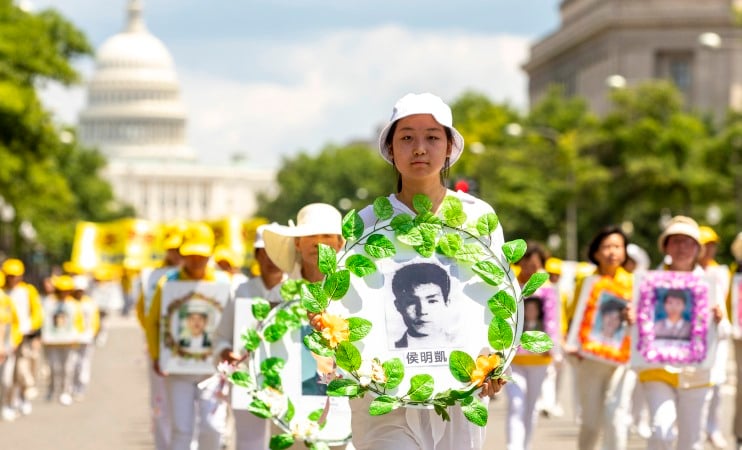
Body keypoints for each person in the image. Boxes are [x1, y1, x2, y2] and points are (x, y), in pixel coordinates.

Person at [347, 92, 506, 450]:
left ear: (449, 147)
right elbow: (349, 303)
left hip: (459, 393)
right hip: (383, 402)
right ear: (390, 148)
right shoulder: (366, 225)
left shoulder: (477, 218)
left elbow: (498, 297)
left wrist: (495, 361)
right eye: (407, 137)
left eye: (432, 137)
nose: (420, 148)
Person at [638, 215, 724, 450]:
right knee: (661, 431)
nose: (682, 247)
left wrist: (718, 320)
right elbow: (637, 326)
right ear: (666, 246)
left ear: (697, 249)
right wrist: (630, 318)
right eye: (676, 241)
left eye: (688, 242)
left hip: (697, 374)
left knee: (690, 443)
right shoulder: (649, 282)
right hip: (657, 370)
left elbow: (725, 330)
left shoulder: (709, 283)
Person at [144, 222, 229, 450]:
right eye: (191, 254)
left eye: (201, 255)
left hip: (212, 370)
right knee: (181, 430)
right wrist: (157, 355)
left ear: (210, 254)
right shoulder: (168, 283)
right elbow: (152, 323)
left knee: (213, 427)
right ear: (182, 254)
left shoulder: (222, 283)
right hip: (178, 369)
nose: (196, 260)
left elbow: (231, 323)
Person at [214, 224, 286, 450]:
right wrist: (226, 352)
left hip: (287, 381)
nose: (271, 259)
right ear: (256, 255)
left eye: (276, 251)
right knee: (249, 442)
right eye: (264, 252)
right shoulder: (241, 290)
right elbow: (221, 336)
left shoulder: (297, 289)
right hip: (247, 381)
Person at [568, 225, 635, 450]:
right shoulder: (586, 282)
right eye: (606, 247)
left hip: (622, 361)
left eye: (617, 246)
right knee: (590, 421)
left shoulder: (634, 283)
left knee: (616, 415)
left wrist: (633, 317)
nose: (612, 252)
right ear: (596, 253)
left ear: (624, 251)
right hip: (590, 359)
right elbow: (574, 317)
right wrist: (572, 345)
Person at [136, 221, 184, 450]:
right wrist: (152, 338)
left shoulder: (203, 275)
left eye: (180, 249)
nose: (176, 254)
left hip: (192, 348)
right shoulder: (154, 275)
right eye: (172, 249)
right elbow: (143, 310)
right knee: (161, 401)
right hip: (161, 346)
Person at [506, 241, 554, 450]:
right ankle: (513, 446)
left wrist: (554, 347)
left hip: (539, 359)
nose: (530, 269)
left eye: (535, 265)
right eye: (526, 264)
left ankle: (526, 445)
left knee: (531, 406)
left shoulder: (548, 290)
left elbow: (554, 320)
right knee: (516, 403)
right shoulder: (509, 285)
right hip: (513, 359)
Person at [2, 258, 43, 419]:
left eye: (15, 275)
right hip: (7, 339)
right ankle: (8, 403)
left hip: (24, 337)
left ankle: (23, 398)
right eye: (10, 275)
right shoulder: (2, 292)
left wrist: (32, 327)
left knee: (23, 371)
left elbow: (37, 313)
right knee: (7, 375)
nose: (12, 278)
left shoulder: (28, 291)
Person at [390, 262, 454, 349]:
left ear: (446, 303)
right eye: (411, 302)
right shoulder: (388, 351)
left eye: (432, 301)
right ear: (398, 306)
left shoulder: (461, 345)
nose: (422, 311)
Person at [42, 275, 84, 406]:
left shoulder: (74, 304)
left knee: (68, 368)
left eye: (67, 290)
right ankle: (53, 388)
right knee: (54, 367)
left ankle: (66, 391)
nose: (64, 293)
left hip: (69, 342)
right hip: (52, 341)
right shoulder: (49, 302)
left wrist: (76, 336)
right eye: (62, 290)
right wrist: (45, 336)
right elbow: (45, 320)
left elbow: (79, 323)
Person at [0, 271, 21, 422]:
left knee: (6, 380)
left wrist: (13, 342)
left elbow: (13, 323)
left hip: (6, 348)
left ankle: (5, 406)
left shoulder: (5, 300)